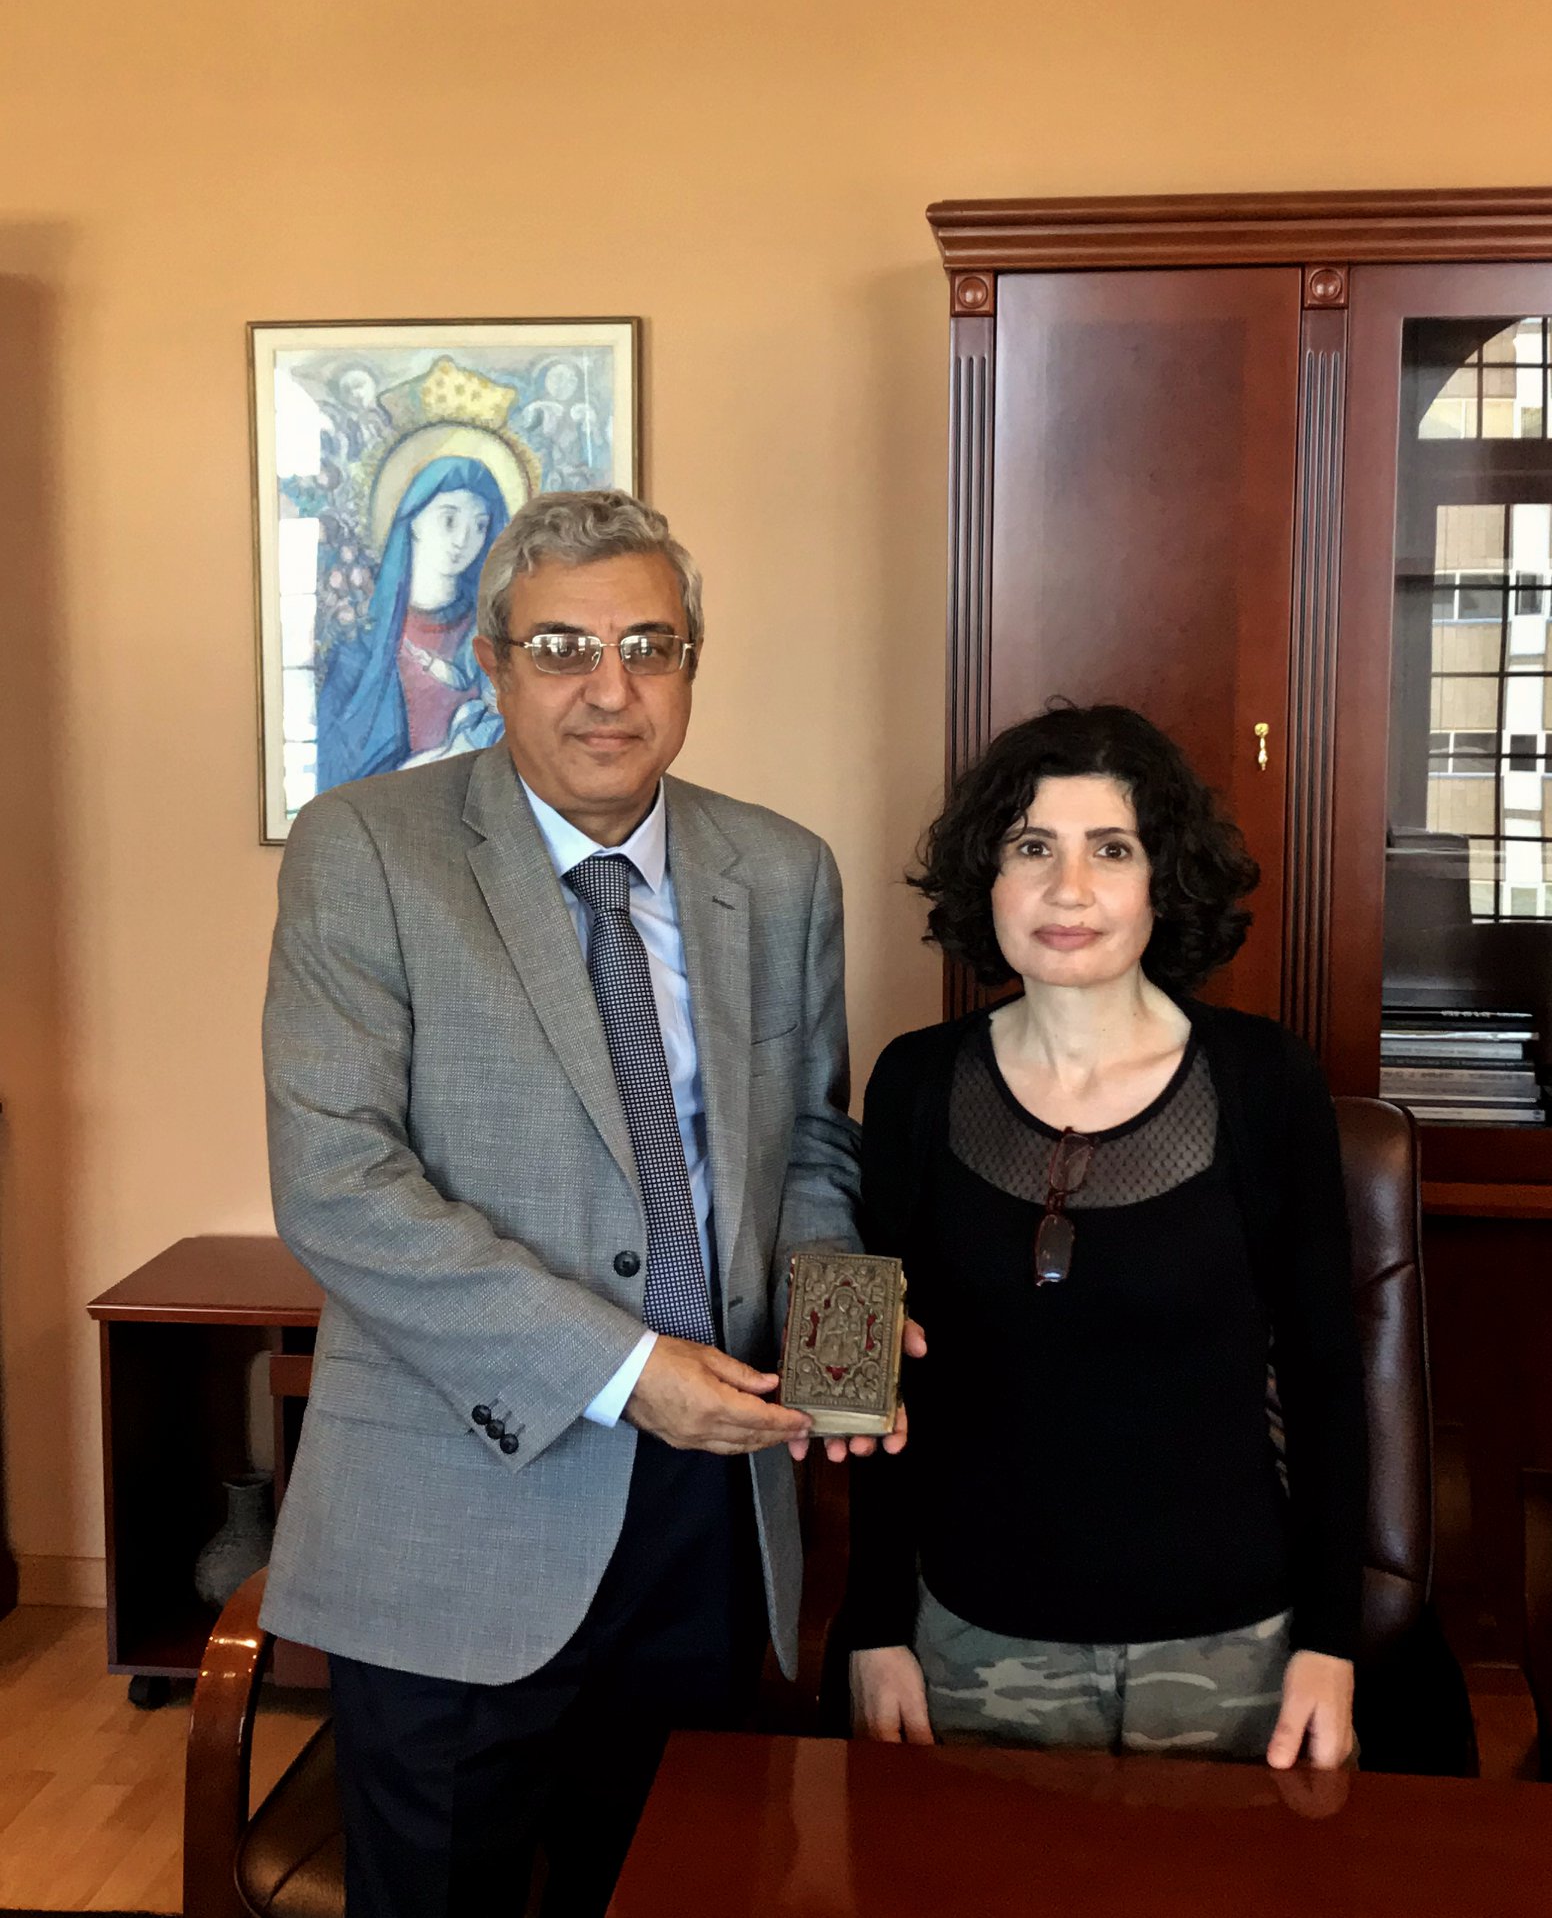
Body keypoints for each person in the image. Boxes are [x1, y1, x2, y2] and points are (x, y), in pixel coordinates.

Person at [261, 489, 912, 1918]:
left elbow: (810, 1145)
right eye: (562, 646)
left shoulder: (780, 869)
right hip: (458, 1504)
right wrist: (622, 1369)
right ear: (492, 664)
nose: (610, 688)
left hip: (713, 1513)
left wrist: (842, 1333)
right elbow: (337, 1181)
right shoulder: (367, 847)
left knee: (676, 1887)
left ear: (690, 665)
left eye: (649, 646)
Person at [846, 703, 1367, 1770]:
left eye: (1112, 850)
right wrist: (871, 1624)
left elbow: (1325, 1380)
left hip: (1233, 1645)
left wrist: (1331, 1640)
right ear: (986, 878)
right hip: (972, 1637)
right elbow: (879, 1391)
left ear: (1162, 880)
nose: (1069, 889)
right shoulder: (914, 1082)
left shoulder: (1264, 1081)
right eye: (1031, 847)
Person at [315, 453, 509, 791]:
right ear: (414, 518)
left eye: (480, 525)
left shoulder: (495, 634)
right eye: (449, 520)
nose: (463, 540)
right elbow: (338, 770)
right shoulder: (360, 645)